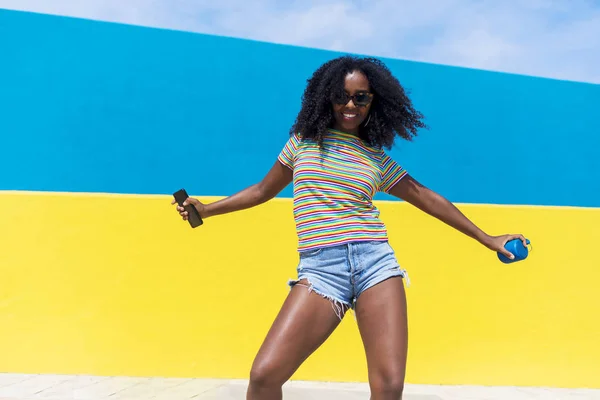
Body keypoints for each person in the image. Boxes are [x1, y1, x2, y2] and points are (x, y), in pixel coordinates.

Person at [172, 55, 526, 400]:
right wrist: (208, 209)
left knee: (388, 387)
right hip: (321, 270)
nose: (350, 105)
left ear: (374, 101)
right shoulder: (302, 143)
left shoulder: (375, 157)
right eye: (341, 96)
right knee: (264, 376)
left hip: (376, 264)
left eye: (361, 97)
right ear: (326, 98)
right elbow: (262, 190)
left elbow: (425, 197)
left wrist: (487, 237)